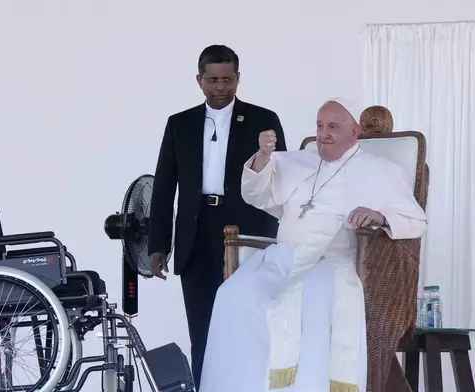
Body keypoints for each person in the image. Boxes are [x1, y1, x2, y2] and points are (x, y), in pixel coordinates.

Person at [198, 98, 428, 392]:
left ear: (354, 132)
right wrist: (263, 156)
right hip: (282, 257)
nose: (324, 134)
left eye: (333, 127)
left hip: (331, 261)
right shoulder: (299, 160)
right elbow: (257, 195)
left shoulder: (381, 170)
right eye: (319, 126)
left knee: (313, 299)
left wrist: (379, 216)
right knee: (233, 294)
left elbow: (415, 220)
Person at [148, 44, 287, 389]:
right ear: (199, 80)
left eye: (227, 79)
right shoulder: (179, 124)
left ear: (238, 78)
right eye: (213, 80)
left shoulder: (263, 120)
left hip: (247, 232)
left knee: (248, 323)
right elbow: (165, 187)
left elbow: (281, 180)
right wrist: (158, 245)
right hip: (196, 234)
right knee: (203, 326)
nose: (221, 87)